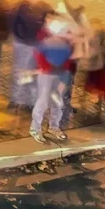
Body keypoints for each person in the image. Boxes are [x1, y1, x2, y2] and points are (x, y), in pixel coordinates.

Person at [30, 11, 74, 143]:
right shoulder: (42, 34)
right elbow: (38, 53)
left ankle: (54, 126)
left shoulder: (63, 35)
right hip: (47, 73)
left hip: (60, 73)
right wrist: (46, 67)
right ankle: (35, 128)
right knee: (42, 101)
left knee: (57, 101)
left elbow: (67, 55)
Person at [7, 0, 49, 107]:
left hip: (36, 44)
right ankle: (17, 99)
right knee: (19, 71)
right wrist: (16, 35)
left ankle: (30, 101)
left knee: (31, 72)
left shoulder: (45, 8)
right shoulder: (20, 6)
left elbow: (50, 26)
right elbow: (11, 20)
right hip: (21, 42)